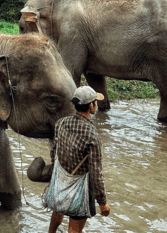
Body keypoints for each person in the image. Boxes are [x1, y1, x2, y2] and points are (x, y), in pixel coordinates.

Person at [48, 85, 111, 233]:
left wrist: (57, 175)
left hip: (61, 180)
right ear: (91, 106)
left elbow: (54, 151)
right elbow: (96, 173)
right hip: (80, 186)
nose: (96, 104)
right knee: (75, 229)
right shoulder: (92, 136)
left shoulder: (61, 124)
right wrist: (103, 202)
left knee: (57, 211)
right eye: (95, 101)